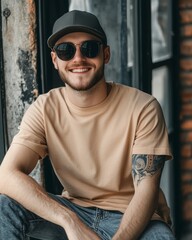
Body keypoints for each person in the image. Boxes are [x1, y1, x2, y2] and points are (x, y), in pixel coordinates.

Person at [0, 10, 175, 240]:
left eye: (89, 48)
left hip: (130, 214)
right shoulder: (45, 108)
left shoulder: (143, 107)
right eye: (66, 51)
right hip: (75, 210)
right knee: (4, 208)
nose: (78, 58)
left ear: (106, 54)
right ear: (55, 60)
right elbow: (6, 175)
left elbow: (146, 191)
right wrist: (69, 221)